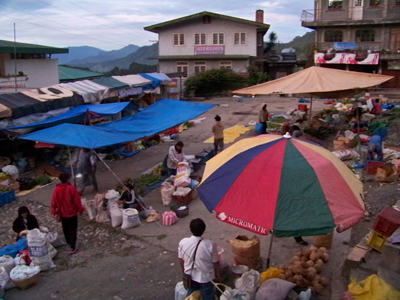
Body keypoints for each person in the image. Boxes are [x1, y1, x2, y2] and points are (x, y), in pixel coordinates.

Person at [178, 219, 220, 300]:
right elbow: (215, 263)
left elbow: (180, 259)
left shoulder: (183, 242)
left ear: (190, 229)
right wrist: (218, 274)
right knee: (208, 296)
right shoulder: (210, 245)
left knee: (191, 296)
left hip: (189, 275)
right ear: (204, 229)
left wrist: (184, 270)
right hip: (206, 277)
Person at [51, 172, 84, 254]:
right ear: (67, 179)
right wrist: (80, 210)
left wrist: (54, 211)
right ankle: (73, 247)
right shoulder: (71, 188)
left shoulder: (57, 189)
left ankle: (68, 242)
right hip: (71, 212)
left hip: (62, 212)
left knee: (65, 228)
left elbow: (53, 201)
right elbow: (77, 201)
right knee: (73, 229)